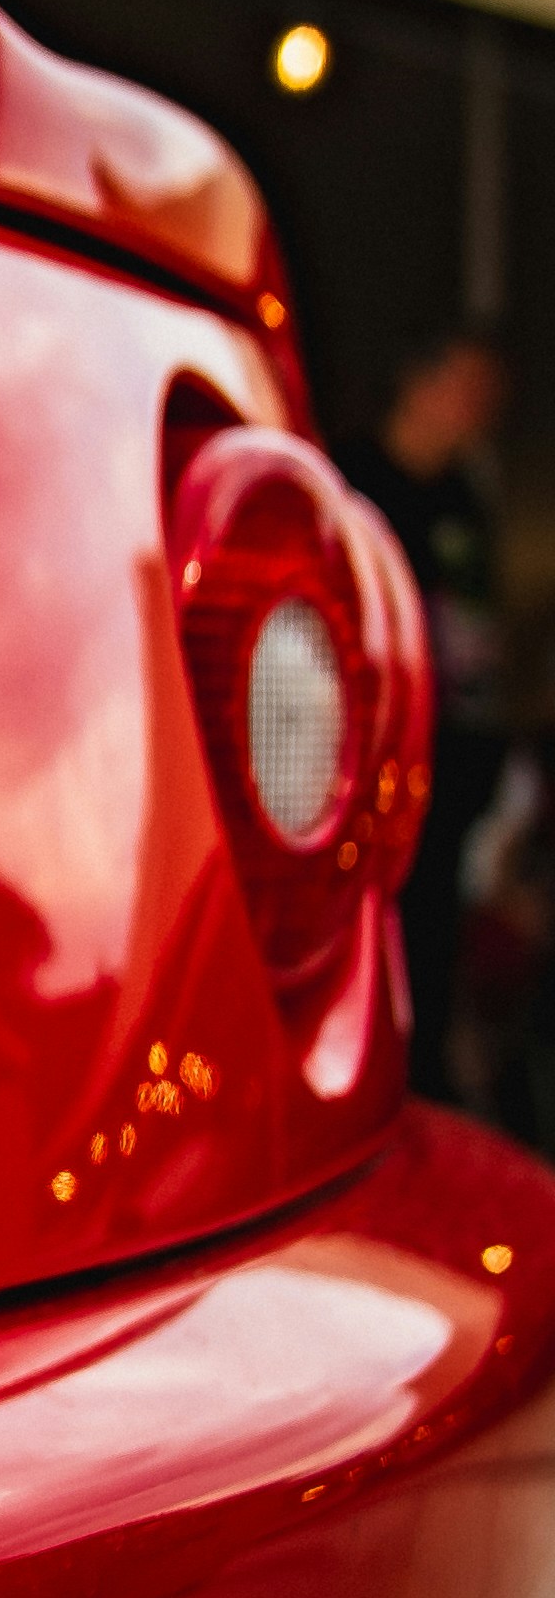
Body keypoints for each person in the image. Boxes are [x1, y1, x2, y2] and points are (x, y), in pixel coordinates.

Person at [347, 326, 510, 1103]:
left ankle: (428, 1087)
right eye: (471, 384)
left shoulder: (465, 504)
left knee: (437, 940)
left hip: (455, 761)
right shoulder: (356, 481)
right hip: (369, 768)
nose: (484, 407)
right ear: (422, 379)